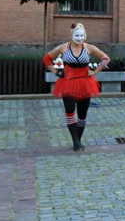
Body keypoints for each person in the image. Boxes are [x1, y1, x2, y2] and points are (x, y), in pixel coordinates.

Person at [42, 23, 110, 151]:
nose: (79, 38)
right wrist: (56, 72)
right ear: (71, 35)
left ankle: (78, 139)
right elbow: (47, 59)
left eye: (81, 35)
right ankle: (75, 140)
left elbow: (105, 59)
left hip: (85, 83)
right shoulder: (63, 48)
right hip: (68, 82)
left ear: (85, 35)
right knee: (69, 109)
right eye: (76, 35)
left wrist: (95, 71)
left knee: (82, 114)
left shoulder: (89, 47)